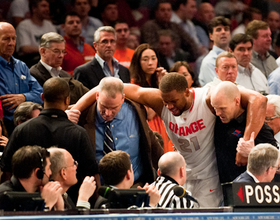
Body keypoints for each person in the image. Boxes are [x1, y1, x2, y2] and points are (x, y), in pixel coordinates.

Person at [72, 72, 267, 207]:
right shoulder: (160, 101)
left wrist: (247, 143)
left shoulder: (206, 98)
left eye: (174, 101)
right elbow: (106, 85)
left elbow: (258, 100)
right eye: (166, 102)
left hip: (208, 177)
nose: (170, 107)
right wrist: (75, 110)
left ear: (187, 91)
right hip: (178, 176)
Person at [0, 78, 98, 204]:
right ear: (67, 100)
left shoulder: (21, 130)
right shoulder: (79, 133)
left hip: (24, 206)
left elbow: (7, 172)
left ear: (42, 97)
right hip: (73, 206)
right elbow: (91, 175)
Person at [76, 77, 163, 186]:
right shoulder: (82, 115)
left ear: (122, 99)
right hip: (99, 190)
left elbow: (152, 144)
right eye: (103, 106)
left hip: (136, 185)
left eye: (114, 108)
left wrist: (167, 174)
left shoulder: (135, 111)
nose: (107, 113)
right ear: (97, 96)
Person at [210, 81, 276, 184]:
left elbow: (275, 162)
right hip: (224, 189)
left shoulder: (258, 127)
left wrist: (252, 152)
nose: (218, 113)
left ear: (237, 101)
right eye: (215, 108)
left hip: (249, 191)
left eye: (223, 108)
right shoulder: (219, 119)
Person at [0, 22, 43, 136]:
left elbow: (41, 94)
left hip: (27, 123)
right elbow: (8, 105)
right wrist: (29, 98)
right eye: (6, 39)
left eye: (14, 38)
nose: (11, 43)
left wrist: (23, 97)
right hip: (6, 125)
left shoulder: (21, 66)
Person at [130, 43, 170, 152]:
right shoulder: (133, 84)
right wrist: (162, 88)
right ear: (138, 62)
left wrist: (166, 83)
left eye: (153, 58)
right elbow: (149, 114)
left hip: (164, 126)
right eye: (145, 59)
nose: (150, 63)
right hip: (150, 130)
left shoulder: (156, 80)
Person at [30, 32, 89, 105]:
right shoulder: (33, 74)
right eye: (56, 51)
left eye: (63, 52)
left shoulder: (65, 75)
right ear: (43, 51)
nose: (61, 56)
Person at [0, 145, 64, 211]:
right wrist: (46, 206)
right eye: (48, 168)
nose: (50, 173)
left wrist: (59, 209)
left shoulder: (41, 192)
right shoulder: (4, 197)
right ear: (39, 173)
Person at [95, 150, 160, 208]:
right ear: (128, 174)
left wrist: (141, 198)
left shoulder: (108, 197)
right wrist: (150, 204)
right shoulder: (113, 202)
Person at [15, 0, 57, 67]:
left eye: (48, 6)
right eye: (44, 6)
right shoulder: (23, 25)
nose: (47, 9)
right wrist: (47, 49)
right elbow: (25, 48)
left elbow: (57, 44)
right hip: (29, 63)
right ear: (34, 8)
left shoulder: (49, 25)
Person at [199, 16, 231, 86]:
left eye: (226, 29)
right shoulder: (209, 62)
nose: (223, 32)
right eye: (218, 30)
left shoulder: (235, 57)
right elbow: (217, 89)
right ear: (211, 36)